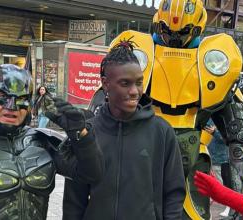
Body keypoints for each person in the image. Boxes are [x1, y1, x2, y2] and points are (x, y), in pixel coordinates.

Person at [87, 0, 243, 218]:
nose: (174, 38)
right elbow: (99, 117)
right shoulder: (137, 57)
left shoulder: (212, 60)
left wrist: (242, 203)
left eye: (183, 31)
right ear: (158, 25)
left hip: (190, 162)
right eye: (166, 31)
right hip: (135, 162)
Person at [0, 61, 103, 219]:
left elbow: (91, 174)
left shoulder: (40, 141)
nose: (12, 107)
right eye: (2, 95)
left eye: (21, 98)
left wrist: (81, 135)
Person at [63, 41, 185, 220]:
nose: (135, 91)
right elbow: (74, 198)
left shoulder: (162, 132)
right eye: (125, 83)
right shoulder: (87, 133)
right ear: (105, 84)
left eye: (139, 82)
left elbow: (174, 193)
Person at [204, 119, 234, 217]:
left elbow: (226, 139)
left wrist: (214, 132)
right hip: (209, 155)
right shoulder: (209, 119)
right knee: (209, 180)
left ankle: (229, 206)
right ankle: (210, 197)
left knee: (223, 184)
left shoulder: (223, 120)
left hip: (221, 159)